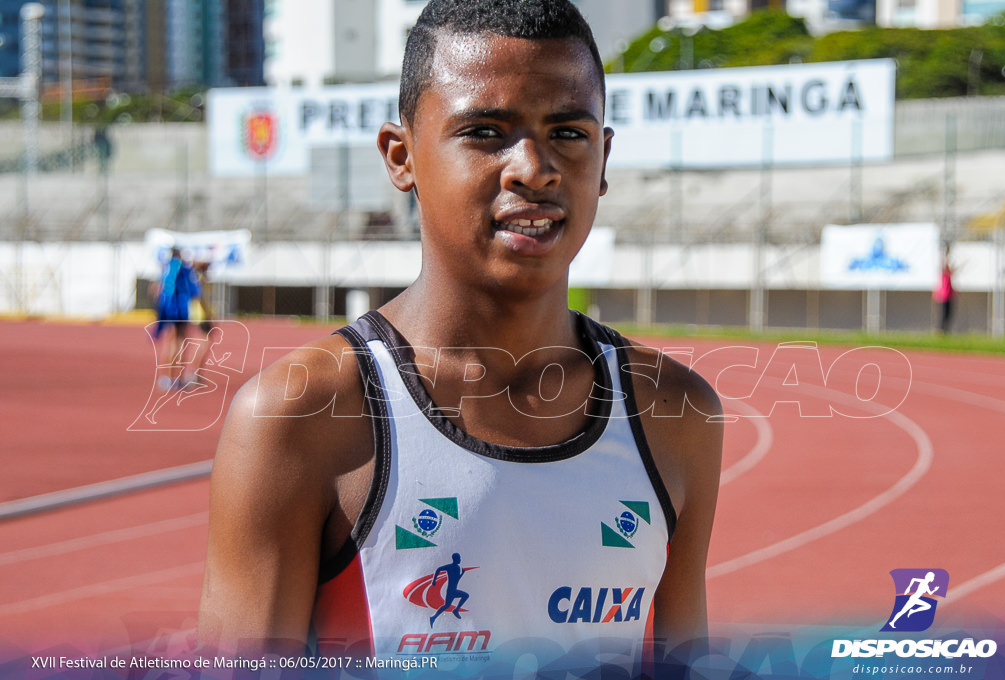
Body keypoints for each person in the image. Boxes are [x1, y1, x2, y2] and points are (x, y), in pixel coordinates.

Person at [197, 1, 723, 675]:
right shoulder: (297, 417)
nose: (533, 168)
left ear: (605, 155)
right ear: (401, 155)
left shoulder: (677, 414)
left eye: (567, 131)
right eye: (485, 131)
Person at [149, 247, 200, 391]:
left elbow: (162, 289)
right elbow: (193, 289)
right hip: (181, 308)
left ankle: (168, 377)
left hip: (171, 308)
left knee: (171, 342)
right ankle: (176, 377)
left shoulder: (167, 267)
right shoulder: (183, 268)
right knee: (180, 342)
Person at [934, 244, 956, 334]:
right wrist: (946, 255)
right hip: (944, 295)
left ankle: (945, 331)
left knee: (948, 314)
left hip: (948, 295)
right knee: (944, 314)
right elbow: (944, 265)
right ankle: (941, 331)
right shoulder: (944, 271)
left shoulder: (947, 274)